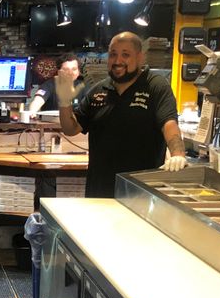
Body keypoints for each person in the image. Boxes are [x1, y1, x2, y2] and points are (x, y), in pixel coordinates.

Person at [56, 32, 188, 198]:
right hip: (99, 193)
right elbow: (71, 129)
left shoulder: (156, 86)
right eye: (113, 54)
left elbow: (169, 124)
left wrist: (178, 155)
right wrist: (64, 103)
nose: (118, 61)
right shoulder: (98, 90)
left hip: (141, 194)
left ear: (140, 58)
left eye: (125, 55)